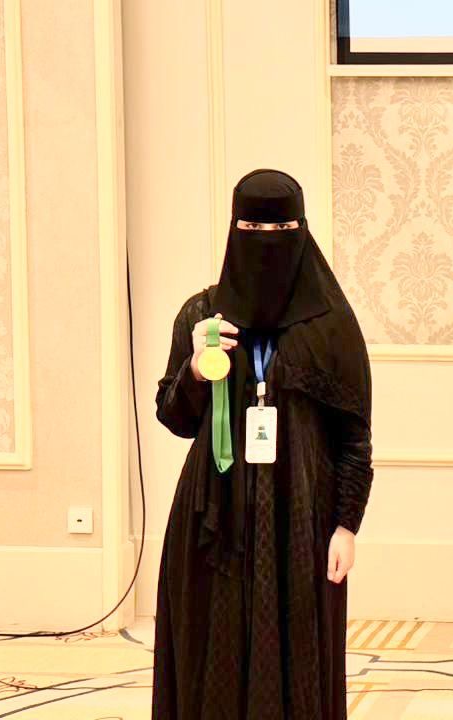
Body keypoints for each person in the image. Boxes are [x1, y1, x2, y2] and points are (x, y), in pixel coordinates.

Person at [152, 169, 373, 720]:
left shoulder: (331, 325)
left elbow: (355, 434)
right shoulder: (202, 316)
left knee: (297, 650)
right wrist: (196, 370)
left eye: (280, 228)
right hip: (213, 517)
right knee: (211, 646)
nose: (265, 240)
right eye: (251, 227)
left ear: (302, 231)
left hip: (301, 520)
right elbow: (174, 418)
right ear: (232, 230)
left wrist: (347, 525)